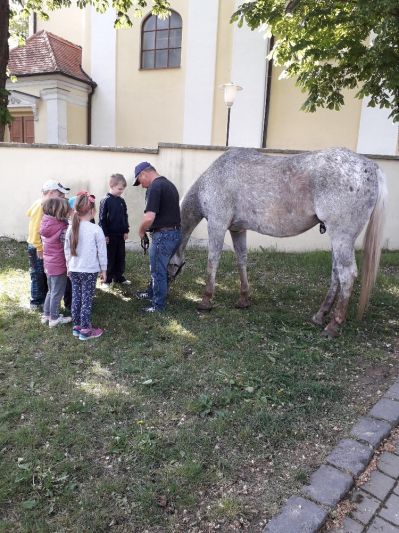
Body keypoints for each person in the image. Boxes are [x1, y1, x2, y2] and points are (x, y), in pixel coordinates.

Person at [133, 161, 181, 313]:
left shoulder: (155, 187)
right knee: (160, 268)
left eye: (140, 181)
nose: (142, 185)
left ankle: (157, 306)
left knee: (157, 271)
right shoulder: (169, 185)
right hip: (174, 234)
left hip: (164, 236)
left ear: (144, 174)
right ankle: (152, 292)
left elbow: (149, 217)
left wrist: (141, 232)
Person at [64, 192, 107, 340]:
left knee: (76, 297)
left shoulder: (71, 228)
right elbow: (102, 252)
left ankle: (77, 326)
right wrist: (104, 270)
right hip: (89, 271)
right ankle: (86, 330)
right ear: (92, 211)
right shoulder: (96, 229)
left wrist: (68, 266)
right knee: (86, 299)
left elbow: (67, 250)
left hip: (74, 269)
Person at [27, 180, 70, 310]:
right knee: (37, 274)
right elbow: (35, 230)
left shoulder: (42, 205)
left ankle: (46, 300)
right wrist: (39, 248)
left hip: (42, 245)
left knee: (44, 274)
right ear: (51, 193)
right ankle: (36, 301)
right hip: (37, 246)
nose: (62, 198)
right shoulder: (41, 206)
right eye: (60, 195)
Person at [39, 197, 72, 327]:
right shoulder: (61, 227)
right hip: (58, 265)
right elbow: (67, 245)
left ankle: (46, 314)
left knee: (51, 290)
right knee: (57, 292)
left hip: (48, 264)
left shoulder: (46, 223)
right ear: (60, 211)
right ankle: (54, 318)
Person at [98, 173, 130, 288]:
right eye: (119, 189)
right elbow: (102, 219)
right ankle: (106, 280)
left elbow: (125, 216)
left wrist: (126, 230)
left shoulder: (121, 201)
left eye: (123, 189)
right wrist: (105, 234)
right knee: (109, 257)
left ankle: (118, 277)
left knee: (120, 256)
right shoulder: (105, 201)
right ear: (112, 186)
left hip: (120, 235)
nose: (121, 191)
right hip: (110, 236)